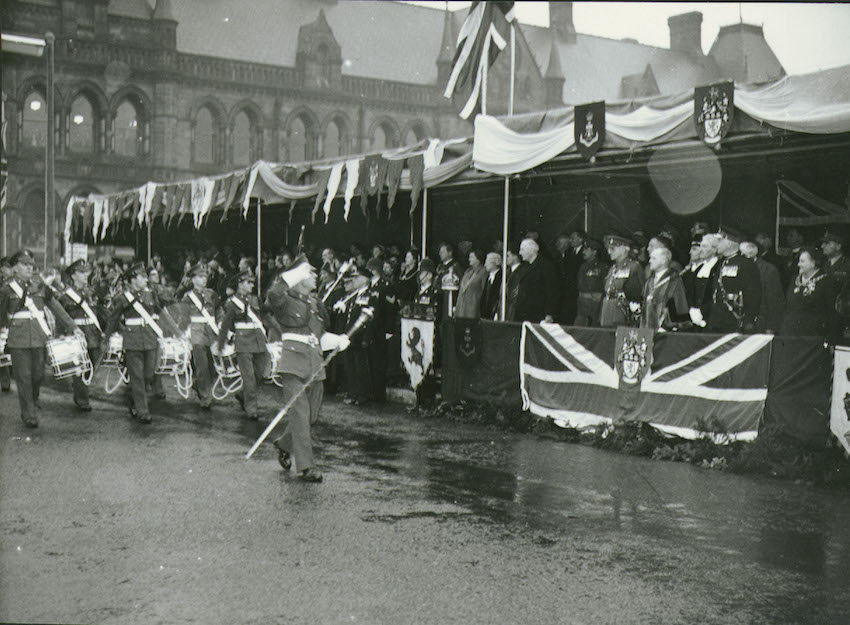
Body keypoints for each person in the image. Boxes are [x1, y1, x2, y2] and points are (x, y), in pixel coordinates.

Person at [264, 254, 350, 483]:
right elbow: (273, 295)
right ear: (298, 277)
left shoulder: (314, 304)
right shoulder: (285, 300)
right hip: (293, 364)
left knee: (310, 416)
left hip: (315, 363)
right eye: (309, 273)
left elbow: (318, 335)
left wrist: (336, 340)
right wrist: (291, 275)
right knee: (301, 415)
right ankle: (306, 467)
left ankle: (284, 443)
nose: (314, 277)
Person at [0, 250, 82, 428]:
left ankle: (33, 399)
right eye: (24, 265)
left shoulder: (40, 286)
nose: (29, 268)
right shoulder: (7, 289)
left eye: (31, 265)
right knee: (24, 377)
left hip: (39, 337)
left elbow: (56, 307)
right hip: (18, 340)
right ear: (15, 268)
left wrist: (73, 326)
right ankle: (28, 413)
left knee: (38, 375)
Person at [105, 261, 180, 423]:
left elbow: (163, 312)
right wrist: (107, 338)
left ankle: (134, 399)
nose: (146, 280)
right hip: (132, 341)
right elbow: (113, 319)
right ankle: (142, 411)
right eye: (142, 277)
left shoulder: (151, 294)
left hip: (150, 339)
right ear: (133, 279)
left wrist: (177, 333)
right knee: (137, 377)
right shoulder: (123, 298)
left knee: (148, 375)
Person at [217, 270, 268, 420]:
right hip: (243, 342)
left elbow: (265, 317)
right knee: (249, 377)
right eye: (248, 282)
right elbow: (226, 325)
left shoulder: (256, 300)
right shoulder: (231, 304)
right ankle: (251, 408)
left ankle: (241, 394)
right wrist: (221, 345)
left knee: (261, 372)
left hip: (258, 340)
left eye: (252, 282)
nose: (251, 285)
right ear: (240, 284)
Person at [57, 259, 104, 411]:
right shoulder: (65, 296)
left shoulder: (91, 293)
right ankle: (81, 397)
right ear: (73, 275)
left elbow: (99, 313)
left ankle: (81, 389)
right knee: (80, 365)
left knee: (92, 364)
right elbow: (60, 316)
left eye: (86, 272)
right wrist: (61, 334)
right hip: (77, 334)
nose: (85, 275)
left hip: (92, 333)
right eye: (81, 273)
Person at [705, 228, 762, 333]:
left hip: (734, 322)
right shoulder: (721, 263)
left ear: (729, 243)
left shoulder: (745, 264)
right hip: (717, 321)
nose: (715, 244)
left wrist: (747, 321)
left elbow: (753, 295)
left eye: (719, 241)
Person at [180, 263, 220, 410]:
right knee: (202, 366)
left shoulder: (212, 294)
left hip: (211, 332)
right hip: (196, 333)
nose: (204, 279)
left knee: (213, 367)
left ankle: (198, 384)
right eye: (201, 277)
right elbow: (183, 317)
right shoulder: (188, 297)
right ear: (193, 279)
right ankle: (205, 397)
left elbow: (218, 309)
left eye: (205, 277)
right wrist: (185, 334)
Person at [780, 247, 832, 338]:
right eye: (799, 261)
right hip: (790, 332)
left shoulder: (825, 282)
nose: (798, 264)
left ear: (813, 263)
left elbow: (829, 312)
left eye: (802, 261)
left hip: (812, 334)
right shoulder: (794, 279)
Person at [741, 235, 785, 333]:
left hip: (760, 324)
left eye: (741, 254)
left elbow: (775, 302)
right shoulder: (740, 268)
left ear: (751, 253)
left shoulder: (768, 270)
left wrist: (771, 327)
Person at [511, 238, 560, 323]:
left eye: (522, 249)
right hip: (522, 314)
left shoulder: (546, 266)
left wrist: (549, 314)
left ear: (531, 250)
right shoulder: (524, 267)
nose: (520, 253)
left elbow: (551, 292)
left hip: (537, 315)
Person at [600, 235, 645, 327]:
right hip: (607, 310)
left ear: (625, 249)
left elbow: (637, 295)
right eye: (608, 248)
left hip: (622, 313)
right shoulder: (613, 268)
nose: (609, 252)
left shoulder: (633, 267)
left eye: (612, 249)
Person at [641, 248, 689, 331]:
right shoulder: (649, 281)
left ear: (663, 261)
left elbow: (678, 305)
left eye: (653, 258)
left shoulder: (674, 281)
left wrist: (668, 326)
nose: (650, 261)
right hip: (647, 330)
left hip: (664, 331)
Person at [574, 239, 608, 327]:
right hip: (582, 304)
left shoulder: (602, 267)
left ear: (594, 251)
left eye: (586, 249)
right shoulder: (583, 266)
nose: (583, 252)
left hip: (594, 305)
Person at [455, 248, 487, 319]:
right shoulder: (467, 271)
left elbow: (484, 290)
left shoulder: (483, 272)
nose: (469, 259)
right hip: (461, 308)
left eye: (472, 257)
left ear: (478, 259)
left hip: (473, 308)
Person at [0, 256, 14, 393]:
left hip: (6, 321)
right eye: (6, 267)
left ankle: (5, 381)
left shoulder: (13, 284)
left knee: (2, 351)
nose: (8, 270)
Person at [480, 252, 502, 321]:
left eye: (487, 262)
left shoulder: (501, 276)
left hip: (494, 313)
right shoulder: (488, 277)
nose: (485, 265)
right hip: (485, 314)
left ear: (494, 263)